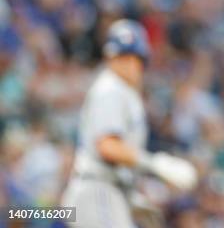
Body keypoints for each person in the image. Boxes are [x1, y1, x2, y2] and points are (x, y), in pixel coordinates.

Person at [61, 19, 197, 228]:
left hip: (106, 191)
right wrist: (155, 163)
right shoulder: (111, 89)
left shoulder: (122, 91)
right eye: (121, 57)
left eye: (133, 58)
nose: (128, 64)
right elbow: (107, 146)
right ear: (109, 58)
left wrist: (131, 197)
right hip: (98, 190)